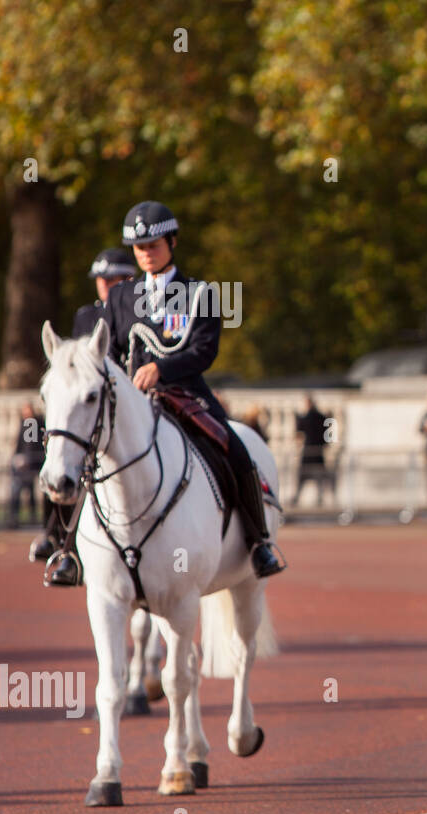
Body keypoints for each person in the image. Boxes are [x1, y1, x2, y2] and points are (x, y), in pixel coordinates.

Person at [105, 200, 285, 578]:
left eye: (153, 245)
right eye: (140, 248)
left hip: (187, 395)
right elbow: (110, 351)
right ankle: (63, 544)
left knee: (236, 450)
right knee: (82, 452)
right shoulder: (120, 297)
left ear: (172, 242)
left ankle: (259, 541)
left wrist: (161, 368)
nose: (146, 254)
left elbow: (205, 350)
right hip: (134, 402)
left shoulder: (200, 293)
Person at [35, 248, 140, 583]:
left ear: (129, 280)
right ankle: (64, 546)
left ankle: (254, 539)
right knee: (62, 461)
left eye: (114, 279)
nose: (106, 285)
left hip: (134, 399)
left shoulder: (139, 309)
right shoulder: (86, 315)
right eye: (101, 280)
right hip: (97, 406)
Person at [8, 401, 44, 529]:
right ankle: (22, 517)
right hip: (27, 462)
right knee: (27, 491)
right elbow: (20, 444)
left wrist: (25, 459)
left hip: (30, 463)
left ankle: (23, 518)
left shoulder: (31, 423)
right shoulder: (27, 423)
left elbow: (30, 444)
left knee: (26, 490)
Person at [293, 395, 333, 508]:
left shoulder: (306, 418)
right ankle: (319, 497)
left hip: (309, 450)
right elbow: (328, 435)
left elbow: (299, 430)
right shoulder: (322, 417)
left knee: (303, 476)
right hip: (319, 451)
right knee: (319, 476)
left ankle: (297, 497)